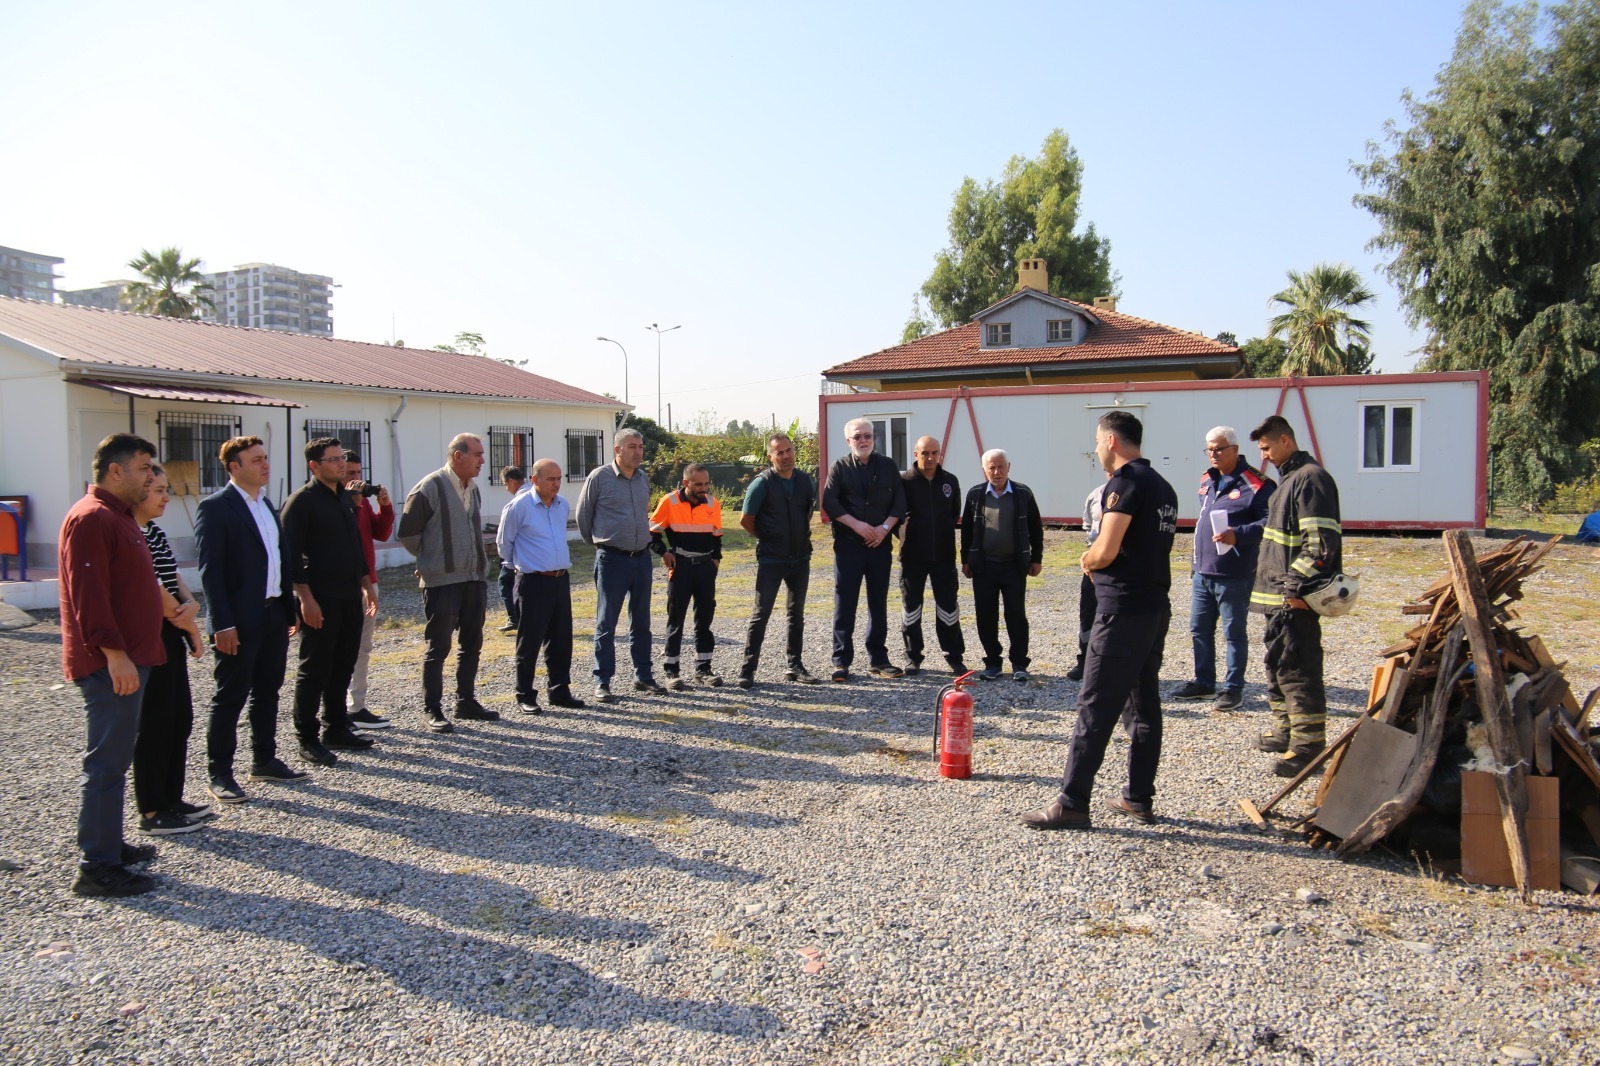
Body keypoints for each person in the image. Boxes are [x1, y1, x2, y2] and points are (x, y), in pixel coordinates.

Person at [1023, 411, 1177, 830]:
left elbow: (1106, 550)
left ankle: (1072, 802)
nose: (1095, 450)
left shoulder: (1124, 484)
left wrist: (1086, 559)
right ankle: (1138, 797)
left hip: (1122, 611)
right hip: (1152, 608)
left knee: (1095, 704)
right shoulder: (1163, 487)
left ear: (1111, 440)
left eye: (1096, 441)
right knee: (1144, 703)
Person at [59, 434, 167, 896]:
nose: (150, 475)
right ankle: (97, 867)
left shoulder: (118, 518)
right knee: (105, 764)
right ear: (116, 470)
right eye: (144, 467)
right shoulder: (92, 518)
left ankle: (109, 844)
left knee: (117, 758)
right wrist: (115, 654)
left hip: (130, 659)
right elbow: (91, 597)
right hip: (110, 664)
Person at [195, 435, 305, 806]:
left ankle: (264, 758)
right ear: (234, 467)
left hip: (273, 612)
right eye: (256, 459)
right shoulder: (216, 508)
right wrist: (221, 624)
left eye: (265, 457)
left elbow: (278, 557)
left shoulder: (267, 504)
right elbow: (211, 572)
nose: (264, 464)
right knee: (230, 696)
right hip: (238, 620)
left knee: (268, 690)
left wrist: (289, 608)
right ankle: (220, 773)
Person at [1243, 415, 1342, 776]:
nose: (1264, 456)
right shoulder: (1288, 480)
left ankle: (1309, 749)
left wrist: (1293, 589)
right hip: (1278, 600)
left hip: (1294, 600)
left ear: (1286, 440)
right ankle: (1286, 732)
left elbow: (1319, 546)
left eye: (1267, 448)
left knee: (1299, 670)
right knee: (1277, 666)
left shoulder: (1311, 479)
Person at [281, 438, 379, 766]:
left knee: (343, 663)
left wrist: (367, 585)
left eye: (341, 458)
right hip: (319, 598)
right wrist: (305, 599)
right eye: (333, 459)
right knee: (315, 668)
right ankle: (306, 738)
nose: (340, 464)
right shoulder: (302, 502)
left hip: (349, 595)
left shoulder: (344, 498)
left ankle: (335, 726)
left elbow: (356, 546)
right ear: (314, 465)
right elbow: (290, 557)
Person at [397, 433, 497, 732]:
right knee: (438, 646)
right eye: (477, 454)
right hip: (442, 582)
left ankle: (465, 701)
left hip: (473, 578)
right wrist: (432, 561)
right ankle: (433, 708)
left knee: (472, 643)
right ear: (458, 456)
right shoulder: (430, 487)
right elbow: (408, 535)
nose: (482, 460)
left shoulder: (474, 489)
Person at [1172, 426, 1275, 713]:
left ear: (1235, 449)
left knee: (1233, 632)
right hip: (1203, 570)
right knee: (1199, 629)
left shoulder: (1257, 484)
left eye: (1219, 449)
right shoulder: (1208, 478)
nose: (1213, 454)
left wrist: (1238, 534)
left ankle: (1233, 689)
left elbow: (1271, 522)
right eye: (1209, 449)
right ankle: (1204, 682)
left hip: (1234, 572)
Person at [132, 464, 210, 837]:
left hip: (172, 627)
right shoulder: (129, 532)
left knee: (179, 717)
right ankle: (151, 808)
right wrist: (188, 621)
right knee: (155, 723)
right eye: (158, 490)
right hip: (150, 633)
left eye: (166, 489)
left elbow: (171, 575)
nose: (166, 497)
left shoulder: (154, 531)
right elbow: (147, 585)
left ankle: (172, 799)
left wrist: (191, 604)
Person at [575, 427, 664, 703]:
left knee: (641, 621)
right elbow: (583, 517)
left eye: (640, 447)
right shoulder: (599, 478)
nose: (638, 452)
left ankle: (643, 676)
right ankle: (602, 680)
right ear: (617, 450)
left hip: (641, 559)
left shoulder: (642, 479)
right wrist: (602, 545)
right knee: (607, 622)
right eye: (632, 447)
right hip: (612, 559)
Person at [821, 418, 907, 682]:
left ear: (874, 438)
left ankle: (878, 659)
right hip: (849, 547)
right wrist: (858, 525)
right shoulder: (839, 468)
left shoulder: (888, 466)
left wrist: (883, 529)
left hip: (879, 546)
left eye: (867, 436)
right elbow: (829, 504)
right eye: (857, 437)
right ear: (848, 441)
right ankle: (841, 661)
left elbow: (900, 504)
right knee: (845, 604)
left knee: (878, 604)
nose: (863, 440)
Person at [501, 458, 587, 713]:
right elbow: (504, 544)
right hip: (533, 581)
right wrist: (519, 565)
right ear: (535, 479)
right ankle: (525, 694)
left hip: (560, 580)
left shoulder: (562, 505)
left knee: (561, 639)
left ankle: (559, 690)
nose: (556, 484)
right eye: (551, 479)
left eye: (559, 478)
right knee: (530, 641)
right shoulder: (519, 506)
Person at [737, 432, 821, 688]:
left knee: (796, 614)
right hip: (772, 560)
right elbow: (746, 520)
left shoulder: (805, 481)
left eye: (789, 451)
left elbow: (806, 515)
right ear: (770, 456)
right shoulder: (761, 484)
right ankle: (747, 669)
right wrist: (770, 539)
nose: (786, 456)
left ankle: (794, 666)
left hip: (800, 558)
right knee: (761, 614)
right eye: (780, 452)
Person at [960, 449, 1044, 682]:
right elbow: (966, 530)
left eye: (1001, 467)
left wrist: (1036, 559)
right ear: (984, 469)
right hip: (984, 566)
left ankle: (1019, 663)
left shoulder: (1023, 493)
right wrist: (966, 560)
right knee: (985, 616)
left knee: (1016, 614)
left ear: (1009, 467)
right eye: (991, 468)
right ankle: (993, 663)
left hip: (1014, 566)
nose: (996, 472)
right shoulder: (975, 494)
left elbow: (1035, 528)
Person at [650, 462, 725, 688]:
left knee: (704, 620)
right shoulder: (669, 501)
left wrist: (715, 562)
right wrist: (663, 553)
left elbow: (717, 537)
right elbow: (651, 532)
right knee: (676, 619)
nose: (704, 489)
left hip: (705, 568)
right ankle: (671, 671)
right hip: (681, 566)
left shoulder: (713, 504)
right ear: (686, 483)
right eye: (698, 484)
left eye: (706, 484)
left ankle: (703, 669)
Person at [897, 436, 967, 677]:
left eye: (934, 453)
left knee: (948, 607)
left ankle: (954, 655)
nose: (930, 457)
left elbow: (953, 515)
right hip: (912, 557)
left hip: (944, 556)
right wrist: (909, 537)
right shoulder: (903, 481)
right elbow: (896, 517)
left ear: (940, 455)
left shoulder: (950, 481)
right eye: (925, 453)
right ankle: (913, 657)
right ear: (915, 454)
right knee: (911, 607)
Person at [343, 450, 394, 730]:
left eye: (358, 474)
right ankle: (333, 710)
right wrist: (351, 501)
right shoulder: (336, 502)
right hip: (341, 584)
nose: (355, 480)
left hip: (367, 581)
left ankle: (357, 706)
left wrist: (384, 507)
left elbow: (381, 533)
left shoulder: (361, 502)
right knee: (337, 648)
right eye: (349, 474)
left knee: (363, 646)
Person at [1067, 474, 1109, 682]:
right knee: (1088, 613)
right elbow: (1088, 527)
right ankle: (1085, 660)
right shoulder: (1096, 494)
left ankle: (1110, 663)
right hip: (1093, 567)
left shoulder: (1131, 493)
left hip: (1118, 566)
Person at [495, 466, 529, 633]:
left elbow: (503, 538)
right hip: (539, 557)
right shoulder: (541, 496)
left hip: (518, 556)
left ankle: (514, 617)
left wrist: (506, 559)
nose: (506, 488)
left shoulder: (515, 504)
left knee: (505, 581)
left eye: (505, 484)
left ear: (512, 481)